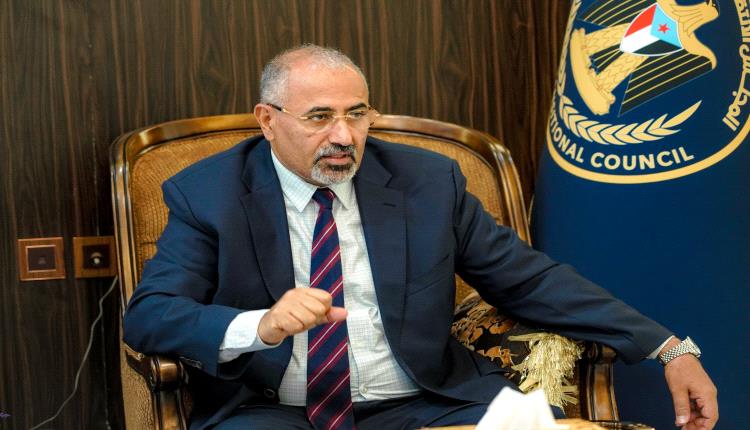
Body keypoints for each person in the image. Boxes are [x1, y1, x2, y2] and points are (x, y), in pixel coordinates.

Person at [123, 44, 718, 430]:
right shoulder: (208, 193)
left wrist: (667, 347)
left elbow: (529, 280)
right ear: (267, 120)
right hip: (272, 411)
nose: (344, 136)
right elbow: (150, 316)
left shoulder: (427, 182)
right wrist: (263, 325)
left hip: (425, 404)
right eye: (319, 117)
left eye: (357, 114)